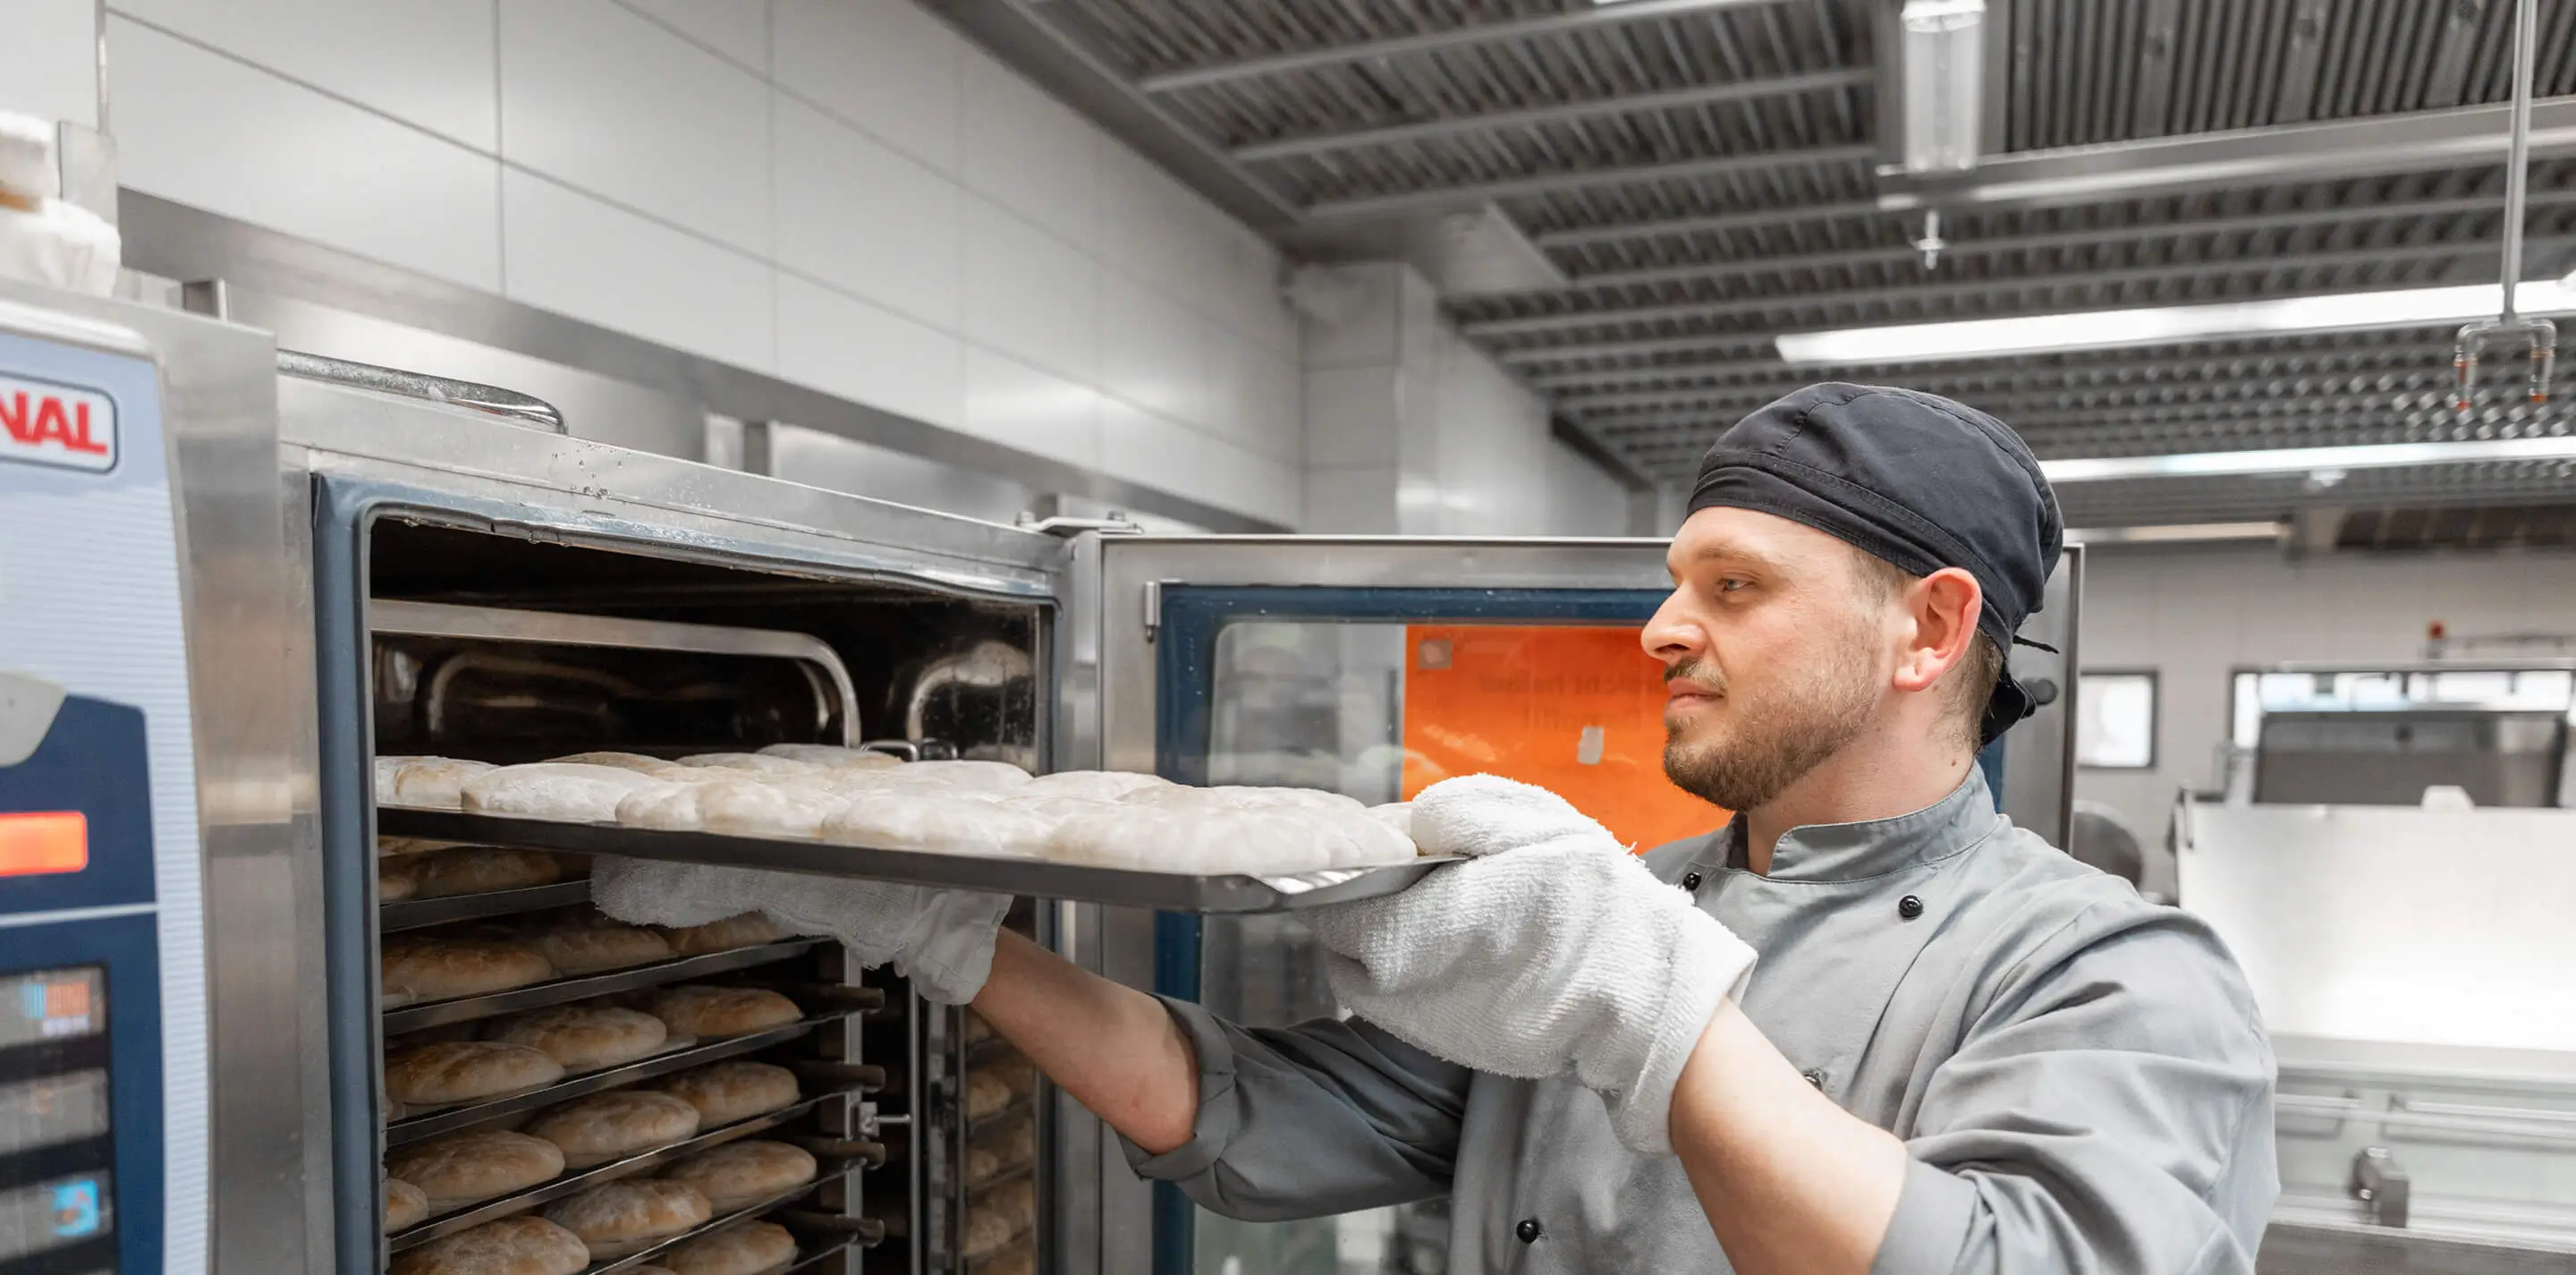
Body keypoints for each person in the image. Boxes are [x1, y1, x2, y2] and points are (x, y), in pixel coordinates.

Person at [597, 384, 2280, 1274]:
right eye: (1673, 581)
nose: (1661, 630)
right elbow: (1258, 1122)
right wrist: (949, 940)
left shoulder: (2113, 974)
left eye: (1737, 588)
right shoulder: (1631, 905)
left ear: (1926, 633)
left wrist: (1659, 1013)